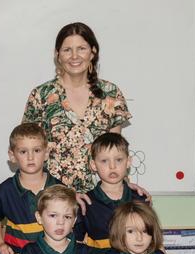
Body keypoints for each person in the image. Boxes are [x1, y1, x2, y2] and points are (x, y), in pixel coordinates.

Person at [23, 22, 132, 192]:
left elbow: (116, 151)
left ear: (93, 52)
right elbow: (26, 146)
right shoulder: (41, 95)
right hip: (53, 199)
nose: (75, 56)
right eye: (67, 50)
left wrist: (126, 188)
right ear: (57, 55)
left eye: (81, 48)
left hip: (100, 197)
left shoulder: (110, 93)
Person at [0, 123, 62, 254]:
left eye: (37, 150)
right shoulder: (6, 190)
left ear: (46, 153)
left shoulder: (58, 189)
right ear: (12, 155)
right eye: (23, 152)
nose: (30, 157)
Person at [74, 133, 147, 253]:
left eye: (118, 160)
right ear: (93, 165)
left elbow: (151, 238)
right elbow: (77, 244)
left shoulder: (140, 199)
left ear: (128, 162)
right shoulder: (85, 203)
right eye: (104, 161)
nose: (112, 166)